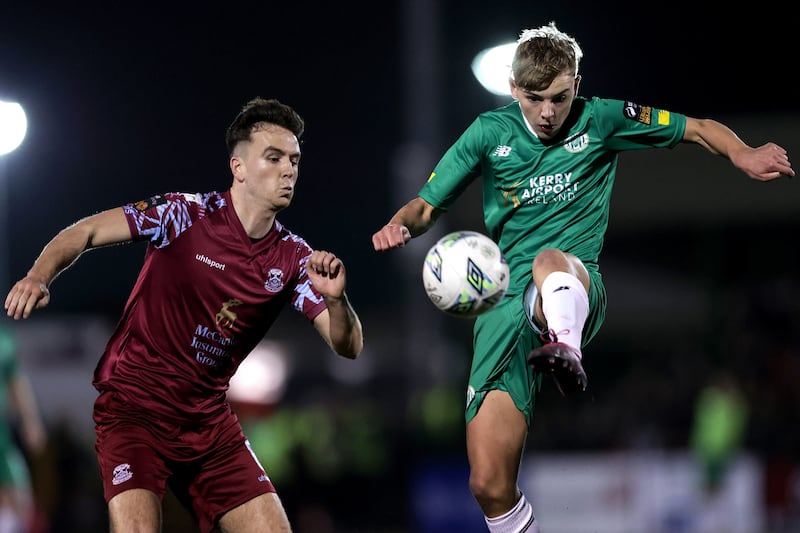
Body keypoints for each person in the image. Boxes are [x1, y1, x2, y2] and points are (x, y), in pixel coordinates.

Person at [371, 22, 793, 532]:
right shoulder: (489, 133)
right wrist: (399, 226)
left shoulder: (604, 119)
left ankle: (566, 347)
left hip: (573, 285)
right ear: (513, 89)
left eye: (560, 97)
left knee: (550, 259)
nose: (548, 112)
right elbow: (425, 205)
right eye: (534, 99)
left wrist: (742, 152)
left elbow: (698, 128)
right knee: (488, 484)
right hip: (501, 309)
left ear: (577, 83)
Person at [4, 97, 365, 533]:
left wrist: (336, 301)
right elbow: (87, 231)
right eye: (274, 158)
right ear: (239, 167)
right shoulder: (182, 214)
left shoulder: (294, 258)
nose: (289, 170)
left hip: (208, 424)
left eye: (294, 160)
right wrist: (39, 277)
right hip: (133, 411)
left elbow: (348, 346)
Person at [0, 326, 46, 533]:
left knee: (20, 495)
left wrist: (31, 420)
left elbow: (16, 380)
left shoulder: (4, 339)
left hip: (2, 433)